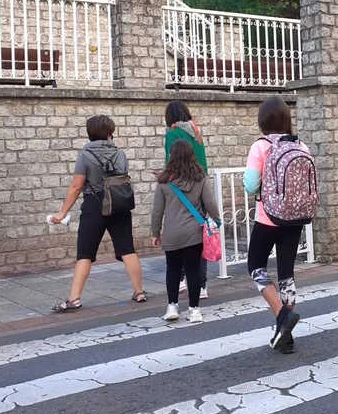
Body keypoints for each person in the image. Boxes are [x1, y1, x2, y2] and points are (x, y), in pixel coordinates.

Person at [49, 115, 146, 312]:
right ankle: (139, 292)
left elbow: (76, 186)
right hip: (119, 203)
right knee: (127, 249)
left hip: (94, 205)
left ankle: (74, 299)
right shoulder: (120, 154)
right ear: (110, 132)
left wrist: (62, 213)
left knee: (85, 252)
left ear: (90, 133)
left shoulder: (85, 155)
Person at [242, 97, 305, 354]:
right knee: (286, 273)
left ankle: (282, 315)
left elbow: (250, 186)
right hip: (295, 218)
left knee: (255, 266)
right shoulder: (300, 145)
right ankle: (286, 337)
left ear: (263, 121)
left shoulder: (260, 146)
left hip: (268, 217)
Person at [151, 141, 221, 323]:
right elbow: (210, 203)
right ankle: (194, 310)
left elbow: (157, 210)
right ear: (192, 156)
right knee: (193, 270)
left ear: (171, 157)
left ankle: (172, 306)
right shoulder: (200, 178)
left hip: (171, 233)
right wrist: (217, 221)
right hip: (194, 233)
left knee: (172, 269)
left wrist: (155, 233)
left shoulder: (164, 181)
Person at [163, 101, 209, 297]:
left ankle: (181, 279)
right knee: (199, 237)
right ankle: (202, 285)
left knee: (179, 235)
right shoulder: (196, 131)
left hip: (179, 188)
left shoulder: (172, 134)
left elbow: (170, 162)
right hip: (200, 185)